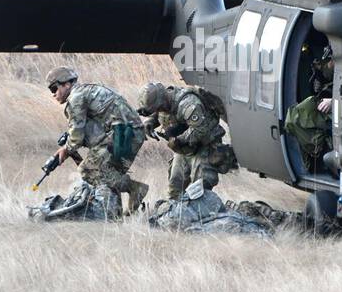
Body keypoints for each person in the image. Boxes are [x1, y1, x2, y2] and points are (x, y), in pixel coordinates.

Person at [48, 66, 149, 214]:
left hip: (123, 134)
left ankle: (134, 188)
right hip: (130, 133)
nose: (53, 94)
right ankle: (115, 215)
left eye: (54, 89)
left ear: (66, 84)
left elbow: (76, 136)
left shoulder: (75, 98)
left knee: (87, 170)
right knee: (108, 172)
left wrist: (66, 150)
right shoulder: (85, 91)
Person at [137, 81, 237, 198]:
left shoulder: (188, 104)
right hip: (184, 150)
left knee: (199, 191)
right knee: (175, 189)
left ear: (162, 101)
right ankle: (176, 214)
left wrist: (179, 140)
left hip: (203, 147)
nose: (158, 111)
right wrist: (150, 122)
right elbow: (161, 114)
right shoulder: (164, 105)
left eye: (158, 108)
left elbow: (201, 129)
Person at [284, 45, 335, 173]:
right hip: (326, 104)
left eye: (332, 60)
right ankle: (314, 150)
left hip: (338, 109)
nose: (329, 63)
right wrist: (318, 77)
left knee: (297, 116)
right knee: (293, 118)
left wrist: (333, 102)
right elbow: (327, 75)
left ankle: (317, 148)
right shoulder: (331, 68)